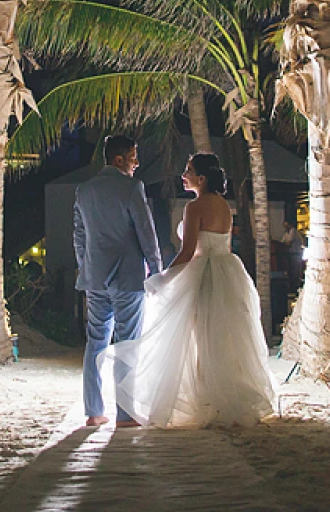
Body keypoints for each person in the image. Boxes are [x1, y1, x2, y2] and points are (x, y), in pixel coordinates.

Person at [108, 153, 277, 428]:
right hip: (228, 272)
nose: (183, 175)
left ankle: (207, 399)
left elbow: (188, 252)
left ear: (202, 178)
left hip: (205, 275)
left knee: (201, 338)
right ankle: (225, 398)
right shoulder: (223, 204)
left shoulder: (195, 207)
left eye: (188, 171)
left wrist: (164, 278)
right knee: (224, 339)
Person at [73, 135, 162, 428]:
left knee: (96, 343)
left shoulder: (84, 190)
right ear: (119, 159)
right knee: (128, 343)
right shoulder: (131, 187)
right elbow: (146, 231)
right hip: (127, 277)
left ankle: (93, 411)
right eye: (134, 156)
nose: (137, 162)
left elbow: (79, 236)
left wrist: (86, 267)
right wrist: (156, 270)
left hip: (95, 277)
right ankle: (124, 414)